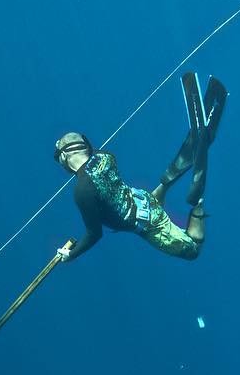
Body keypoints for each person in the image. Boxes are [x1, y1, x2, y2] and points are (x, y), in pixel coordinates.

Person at [55, 72, 226, 264]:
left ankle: (197, 205)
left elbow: (94, 234)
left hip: (148, 223)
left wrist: (71, 254)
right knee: (144, 200)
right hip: (143, 199)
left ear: (63, 156)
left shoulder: (82, 191)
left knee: (193, 250)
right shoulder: (105, 157)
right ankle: (168, 179)